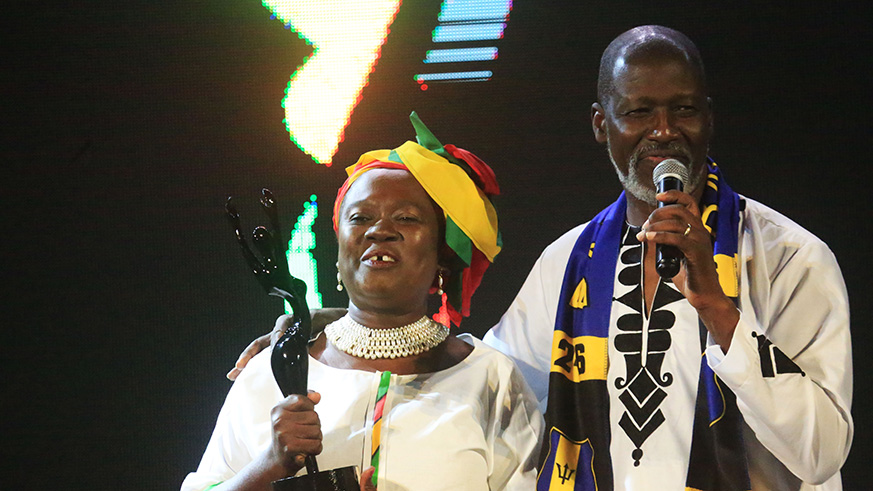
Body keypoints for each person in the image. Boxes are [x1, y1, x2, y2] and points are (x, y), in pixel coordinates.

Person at [233, 26, 853, 490]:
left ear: (709, 117)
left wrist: (719, 310)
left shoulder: (790, 259)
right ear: (601, 125)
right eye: (638, 111)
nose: (663, 130)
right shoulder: (570, 262)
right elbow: (479, 372)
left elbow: (823, 452)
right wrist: (334, 331)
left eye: (683, 109)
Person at [182, 114, 544, 490]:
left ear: (443, 256)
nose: (379, 230)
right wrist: (270, 464)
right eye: (360, 217)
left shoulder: (489, 379)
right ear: (339, 254)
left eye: (406, 218)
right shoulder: (270, 374)